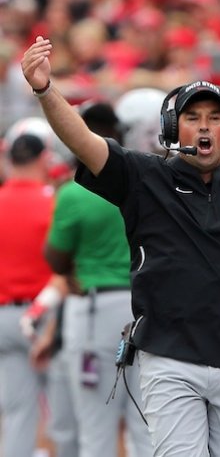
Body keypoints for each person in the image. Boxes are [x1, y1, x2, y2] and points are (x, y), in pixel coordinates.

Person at [20, 35, 220, 455]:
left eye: (213, 117)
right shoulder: (145, 177)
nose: (203, 125)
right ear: (173, 127)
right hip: (169, 357)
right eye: (192, 117)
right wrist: (45, 89)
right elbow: (83, 141)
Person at [40, 102, 153, 457]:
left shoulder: (74, 192)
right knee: (146, 424)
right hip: (146, 307)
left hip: (94, 308)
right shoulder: (146, 181)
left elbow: (56, 258)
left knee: (96, 426)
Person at [0, 119, 66, 457]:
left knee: (18, 415)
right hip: (47, 318)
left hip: (5, 317)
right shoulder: (53, 204)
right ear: (44, 159)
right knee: (64, 418)